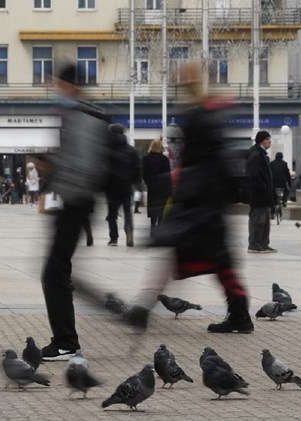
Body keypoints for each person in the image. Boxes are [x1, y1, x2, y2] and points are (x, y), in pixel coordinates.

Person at [125, 61, 254, 334]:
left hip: (200, 201)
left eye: (184, 80)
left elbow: (207, 159)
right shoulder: (206, 113)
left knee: (183, 254)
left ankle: (143, 309)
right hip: (206, 201)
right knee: (218, 261)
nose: (180, 84)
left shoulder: (200, 116)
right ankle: (239, 314)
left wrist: (183, 181)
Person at [40, 63, 109, 361]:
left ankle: (66, 341)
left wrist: (54, 174)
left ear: (68, 85)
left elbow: (83, 168)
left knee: (54, 273)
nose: (53, 88)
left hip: (76, 204)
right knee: (59, 271)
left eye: (56, 83)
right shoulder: (76, 115)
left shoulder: (82, 118)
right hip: (73, 204)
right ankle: (66, 339)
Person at [105, 123, 141, 247]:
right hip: (126, 185)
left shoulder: (107, 150)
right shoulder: (132, 150)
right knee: (127, 211)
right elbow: (137, 167)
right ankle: (129, 229)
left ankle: (114, 238)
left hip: (111, 187)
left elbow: (102, 169)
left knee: (112, 214)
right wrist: (135, 181)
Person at [246, 130, 276, 253]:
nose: (270, 142)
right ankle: (254, 244)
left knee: (264, 222)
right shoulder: (255, 155)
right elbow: (255, 177)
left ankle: (263, 244)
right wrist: (264, 189)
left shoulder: (262, 154)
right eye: (267, 139)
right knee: (257, 221)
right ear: (260, 141)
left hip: (264, 195)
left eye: (270, 139)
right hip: (258, 195)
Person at [141, 139, 172, 235]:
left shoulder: (146, 159)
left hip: (152, 187)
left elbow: (143, 173)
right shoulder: (164, 159)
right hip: (163, 187)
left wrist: (148, 182)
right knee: (162, 208)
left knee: (153, 208)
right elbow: (168, 174)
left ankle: (152, 229)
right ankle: (159, 229)